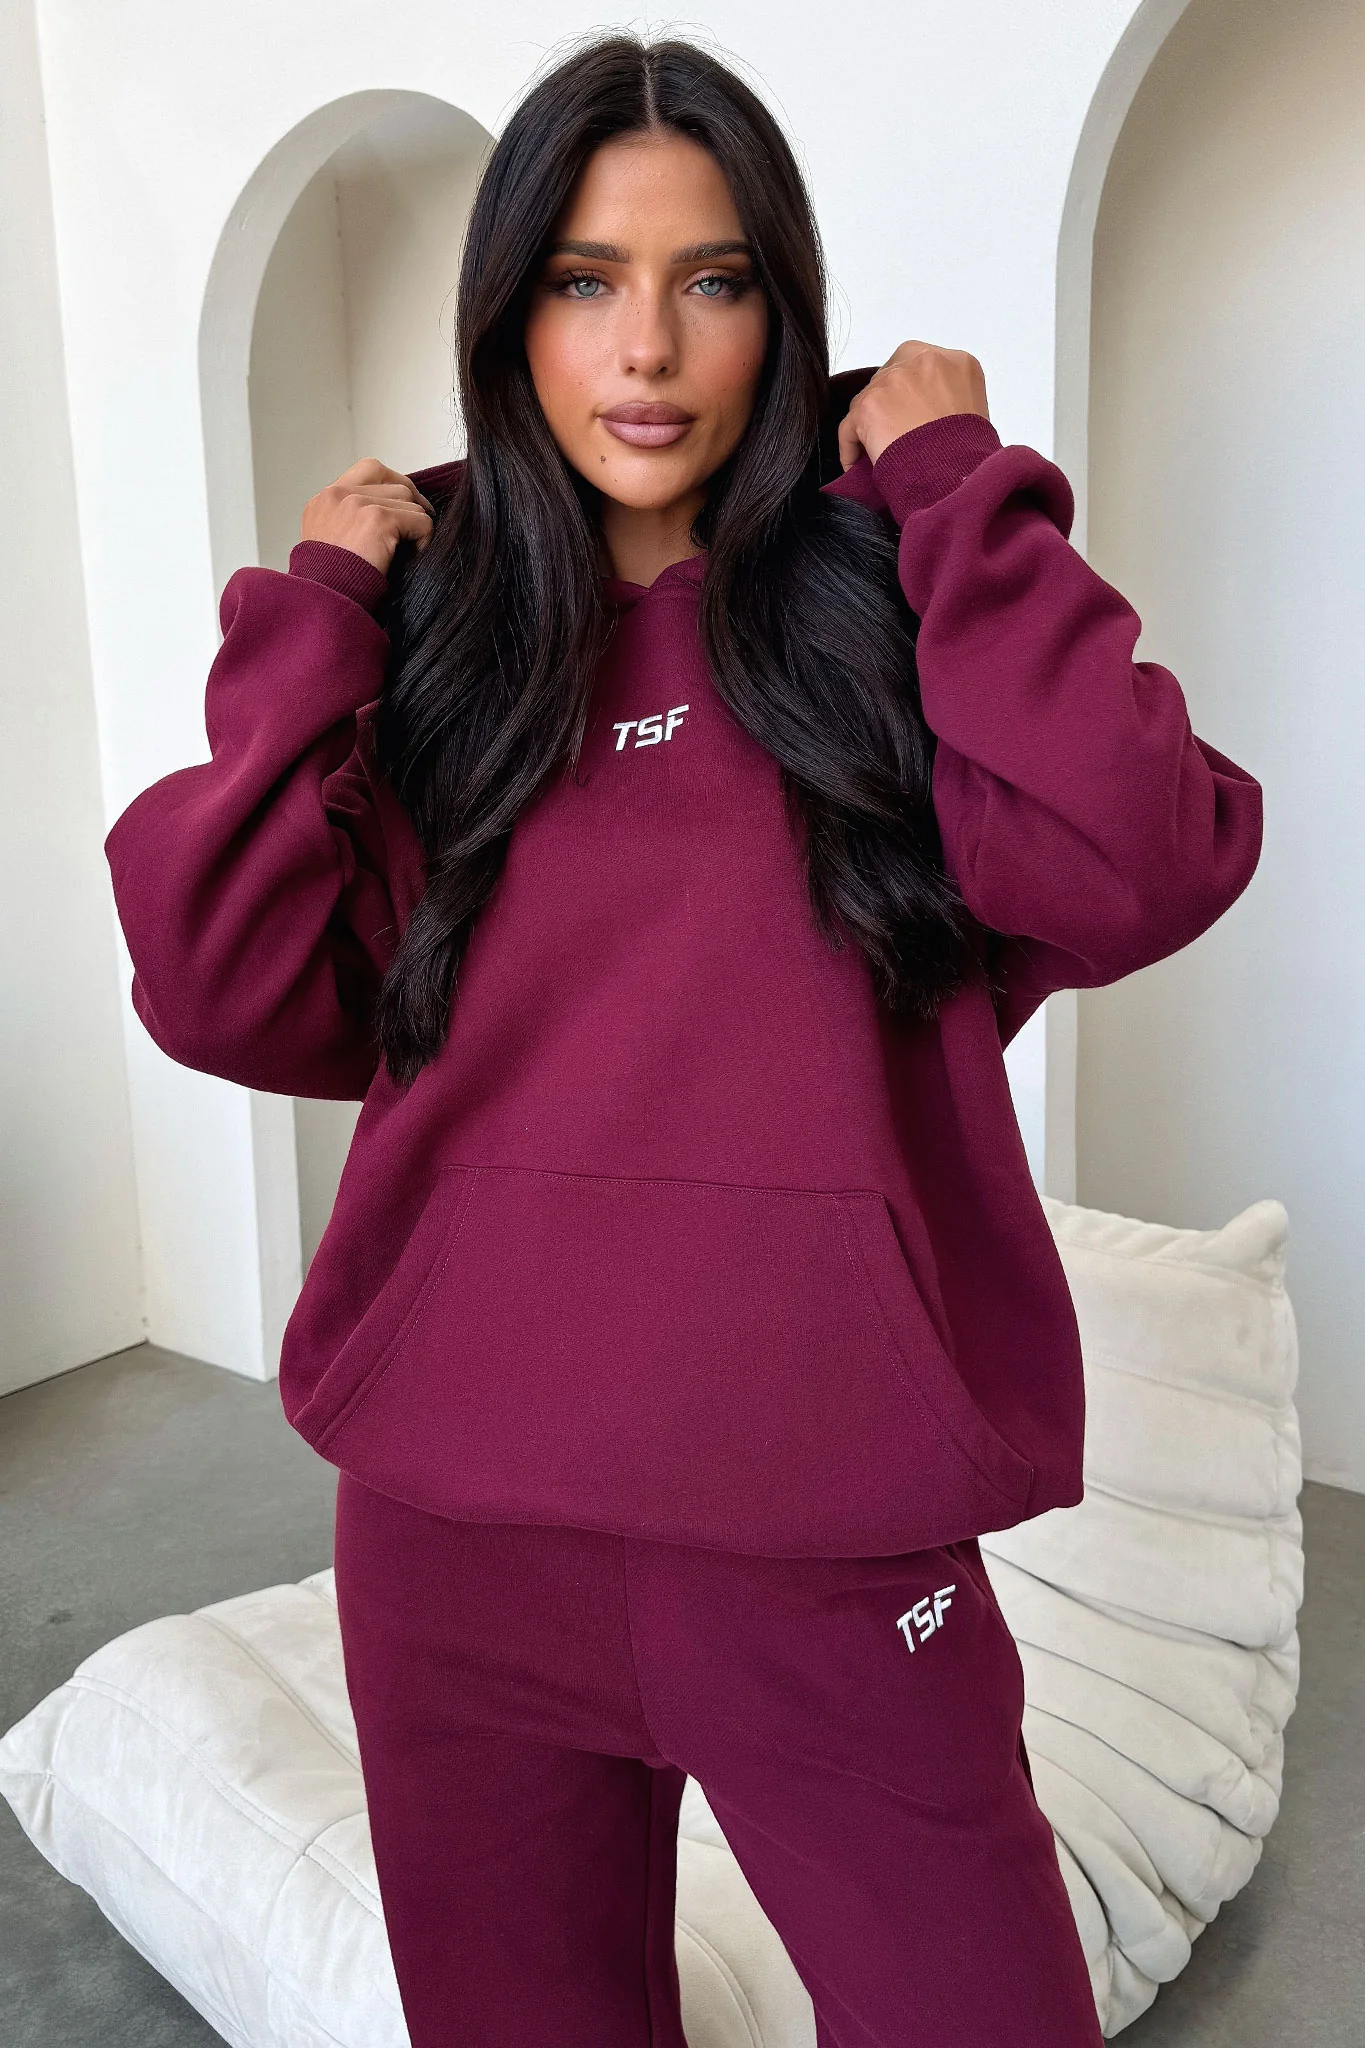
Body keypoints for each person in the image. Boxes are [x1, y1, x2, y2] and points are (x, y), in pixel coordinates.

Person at [103, 29, 1263, 2048]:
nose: (645, 348)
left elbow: (1139, 856)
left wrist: (956, 495)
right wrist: (317, 612)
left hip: (834, 1556)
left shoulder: (887, 621)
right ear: (507, 323)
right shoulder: (439, 660)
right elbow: (215, 980)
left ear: (778, 312)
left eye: (709, 280)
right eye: (583, 280)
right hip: (454, 1561)